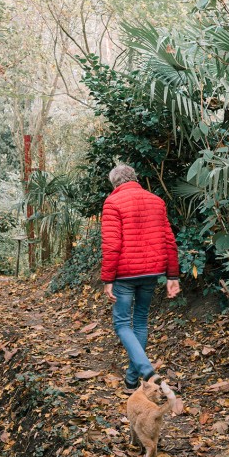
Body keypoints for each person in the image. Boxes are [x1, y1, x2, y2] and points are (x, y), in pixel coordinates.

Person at [101, 164, 180, 391]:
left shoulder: (113, 202)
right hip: (152, 272)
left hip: (124, 275)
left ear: (115, 183)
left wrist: (107, 279)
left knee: (122, 324)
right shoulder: (156, 201)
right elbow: (169, 241)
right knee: (141, 320)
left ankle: (146, 371)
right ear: (135, 178)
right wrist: (172, 275)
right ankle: (131, 380)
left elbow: (111, 244)